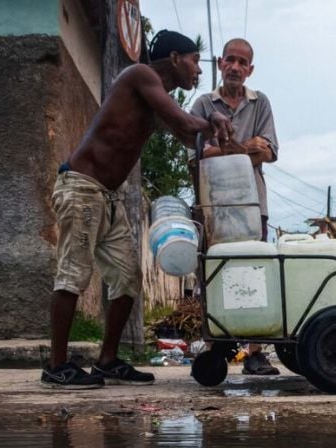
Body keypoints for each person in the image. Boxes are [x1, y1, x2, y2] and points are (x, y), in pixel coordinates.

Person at [42, 30, 234, 390]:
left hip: (108, 197)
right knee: (73, 275)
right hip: (82, 188)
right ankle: (56, 366)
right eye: (194, 61)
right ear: (175, 58)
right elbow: (184, 124)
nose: (198, 71)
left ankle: (108, 360)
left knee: (128, 278)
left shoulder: (156, 97)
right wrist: (213, 122)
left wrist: (215, 128)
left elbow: (184, 134)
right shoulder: (141, 76)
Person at [190, 37, 281, 375]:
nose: (236, 68)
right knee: (214, 274)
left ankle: (255, 352)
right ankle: (216, 349)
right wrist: (246, 148)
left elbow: (269, 152)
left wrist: (227, 147)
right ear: (220, 63)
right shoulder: (202, 104)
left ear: (250, 69)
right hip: (214, 206)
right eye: (231, 60)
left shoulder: (260, 103)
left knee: (257, 272)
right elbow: (200, 153)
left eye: (244, 63)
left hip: (253, 204)